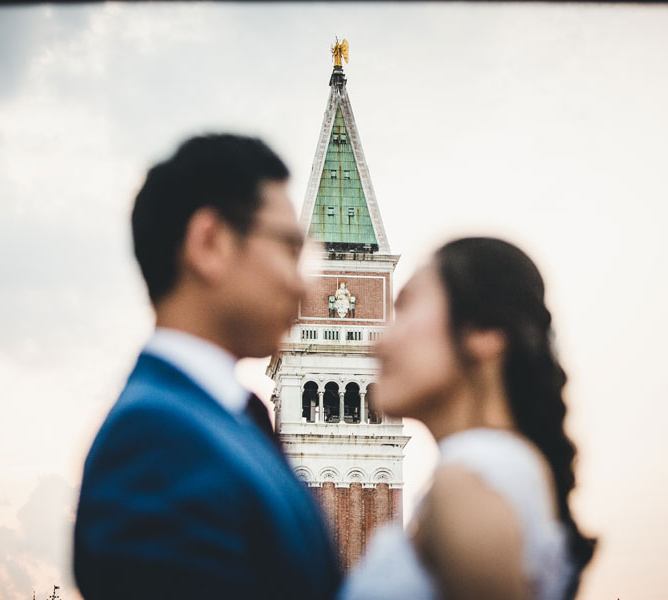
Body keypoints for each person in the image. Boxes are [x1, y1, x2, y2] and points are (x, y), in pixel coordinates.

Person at [73, 134, 341, 599]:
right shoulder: (155, 444)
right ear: (209, 242)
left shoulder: (210, 420)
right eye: (289, 248)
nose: (303, 287)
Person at [341, 237, 596, 600]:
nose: (378, 343)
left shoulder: (470, 475)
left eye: (405, 308)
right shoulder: (498, 466)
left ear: (484, 332)